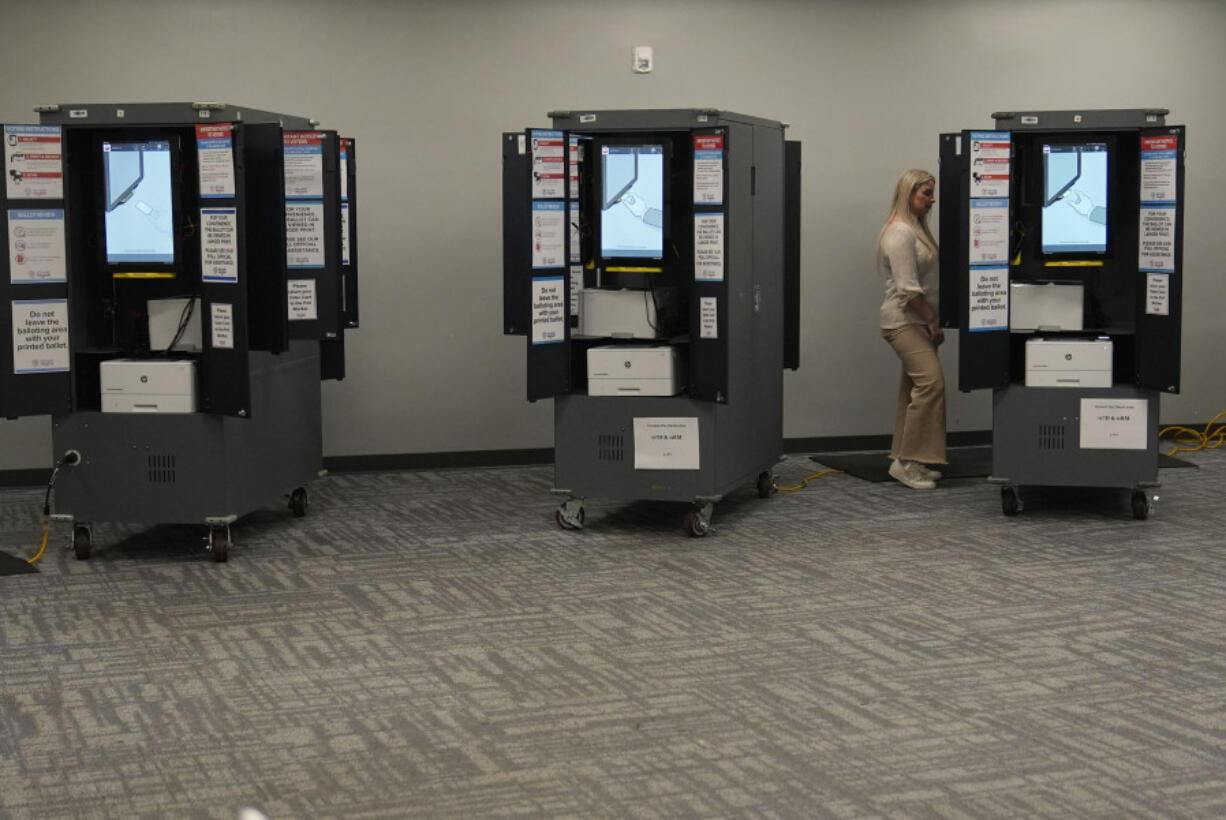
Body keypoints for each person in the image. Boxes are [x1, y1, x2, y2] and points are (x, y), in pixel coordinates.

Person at [877, 169, 946, 489]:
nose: (932, 200)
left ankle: (905, 458)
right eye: (926, 194)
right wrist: (931, 319)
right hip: (903, 321)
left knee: (913, 391)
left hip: (916, 320)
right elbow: (908, 289)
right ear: (909, 194)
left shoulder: (916, 229)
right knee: (931, 384)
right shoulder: (900, 232)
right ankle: (908, 463)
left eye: (932, 193)